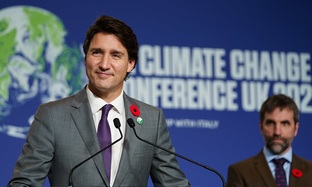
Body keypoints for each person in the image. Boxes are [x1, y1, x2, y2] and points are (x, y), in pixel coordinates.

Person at [8, 15, 191, 187]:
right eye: (97, 52)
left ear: (131, 64)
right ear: (86, 57)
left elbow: (174, 183)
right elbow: (24, 182)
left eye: (115, 55)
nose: (104, 64)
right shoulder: (52, 116)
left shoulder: (152, 119)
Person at [226, 94, 312, 187]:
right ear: (261, 127)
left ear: (296, 129)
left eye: (285, 123)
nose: (277, 132)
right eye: (271, 123)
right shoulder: (241, 172)